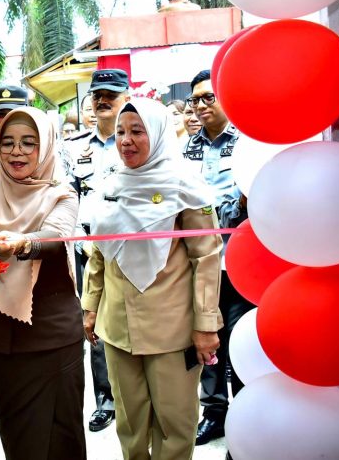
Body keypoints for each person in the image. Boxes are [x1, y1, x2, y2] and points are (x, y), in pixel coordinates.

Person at [82, 97, 223, 460]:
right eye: (120, 132)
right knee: (130, 424)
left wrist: (206, 324)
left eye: (137, 131)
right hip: (117, 327)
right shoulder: (110, 184)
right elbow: (99, 251)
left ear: (158, 134)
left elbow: (206, 256)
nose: (126, 140)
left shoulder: (184, 186)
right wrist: (90, 306)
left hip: (172, 328)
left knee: (175, 424)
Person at [0, 106, 85, 460]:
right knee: (18, 437)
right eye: (8, 143)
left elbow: (57, 236)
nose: (17, 152)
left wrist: (21, 243)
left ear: (46, 147)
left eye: (29, 143)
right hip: (1, 339)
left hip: (53, 338)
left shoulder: (61, 193)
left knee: (62, 437)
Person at [183, 70, 254, 451]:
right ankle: (214, 412)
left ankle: (244, 416)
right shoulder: (187, 148)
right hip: (201, 265)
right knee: (207, 339)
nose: (200, 106)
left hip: (241, 263)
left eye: (208, 98)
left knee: (239, 340)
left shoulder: (247, 143)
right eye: (195, 100)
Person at [65, 68, 131, 432]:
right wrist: (79, 240)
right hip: (87, 246)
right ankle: (105, 398)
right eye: (97, 95)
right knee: (93, 321)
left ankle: (134, 392)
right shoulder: (76, 147)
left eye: (111, 94)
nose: (102, 100)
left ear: (126, 96)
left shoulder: (139, 141)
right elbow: (65, 199)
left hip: (131, 246)